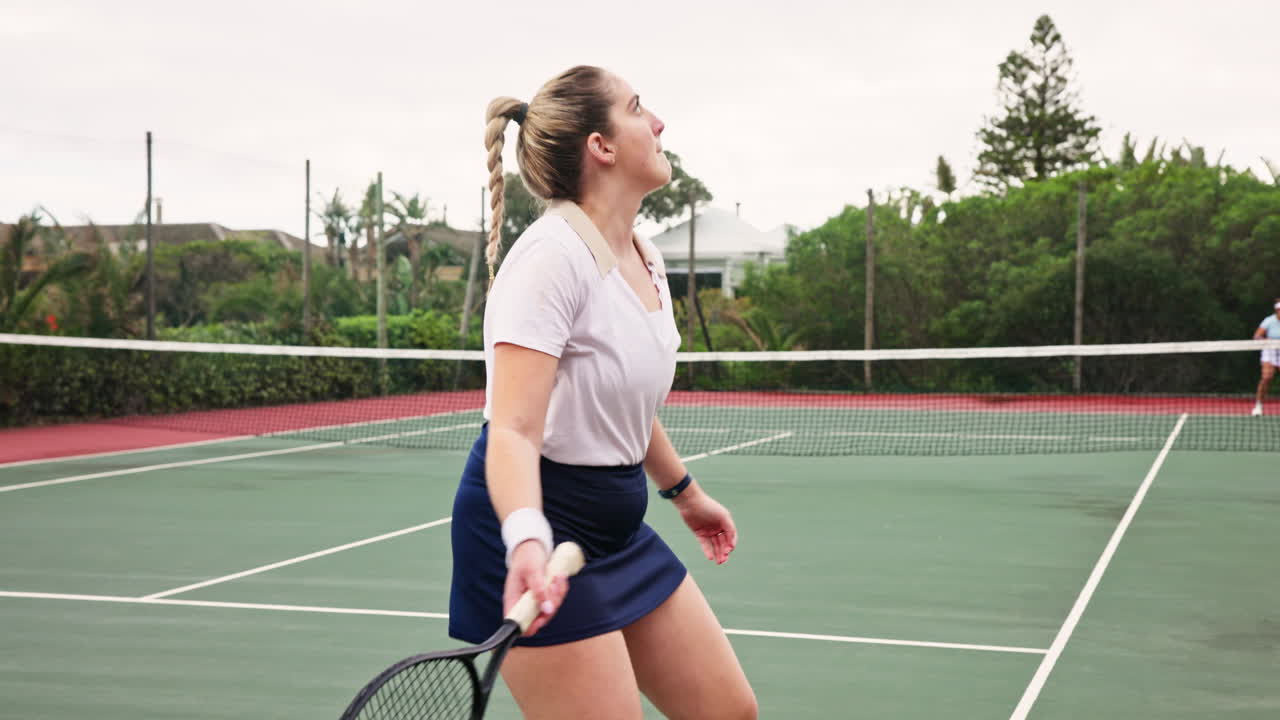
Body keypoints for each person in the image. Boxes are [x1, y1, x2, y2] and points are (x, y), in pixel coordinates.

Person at [448, 65, 758, 720]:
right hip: (535, 523)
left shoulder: (643, 256)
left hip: (614, 526)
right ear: (602, 146)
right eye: (639, 107)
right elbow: (512, 430)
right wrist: (526, 539)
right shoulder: (550, 261)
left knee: (729, 712)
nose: (659, 121)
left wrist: (686, 494)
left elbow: (624, 405)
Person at [1252, 298, 1280, 416]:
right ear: (1276, 310)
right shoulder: (1269, 321)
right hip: (1270, 350)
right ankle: (1258, 405)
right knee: (1266, 378)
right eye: (1279, 310)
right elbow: (1257, 336)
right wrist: (1266, 340)